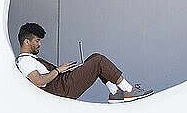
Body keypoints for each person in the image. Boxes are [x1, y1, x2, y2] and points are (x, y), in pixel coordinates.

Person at [15, 22, 153, 103]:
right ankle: (129, 90)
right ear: (26, 42)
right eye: (37, 41)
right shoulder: (25, 61)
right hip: (62, 88)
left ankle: (115, 93)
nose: (40, 44)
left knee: (95, 56)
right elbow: (39, 81)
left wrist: (65, 70)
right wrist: (59, 70)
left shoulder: (30, 59)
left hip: (63, 83)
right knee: (98, 61)